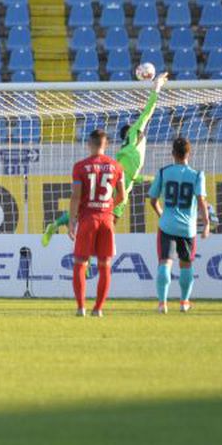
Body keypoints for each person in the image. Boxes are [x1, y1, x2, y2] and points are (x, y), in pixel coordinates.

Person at [42, 72, 167, 245]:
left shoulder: (127, 152)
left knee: (92, 214)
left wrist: (153, 178)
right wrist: (157, 87)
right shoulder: (135, 134)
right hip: (117, 190)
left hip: (120, 186)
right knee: (104, 226)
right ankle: (86, 260)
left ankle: (56, 225)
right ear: (130, 131)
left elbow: (132, 177)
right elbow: (148, 111)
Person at [147, 136, 211, 314]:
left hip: (167, 225)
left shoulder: (163, 172)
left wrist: (162, 214)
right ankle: (184, 302)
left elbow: (152, 200)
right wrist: (206, 224)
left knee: (165, 263)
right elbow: (201, 201)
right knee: (186, 264)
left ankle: (162, 304)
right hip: (187, 228)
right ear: (188, 154)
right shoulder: (197, 175)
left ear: (172, 153)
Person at [68, 129, 125, 318]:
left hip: (87, 219)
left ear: (89, 144)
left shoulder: (79, 166)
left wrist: (71, 222)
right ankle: (98, 309)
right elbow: (122, 196)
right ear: (106, 144)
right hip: (107, 220)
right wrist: (107, 207)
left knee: (80, 262)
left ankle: (81, 308)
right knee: (105, 264)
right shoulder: (117, 166)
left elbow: (76, 197)